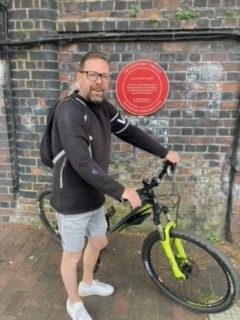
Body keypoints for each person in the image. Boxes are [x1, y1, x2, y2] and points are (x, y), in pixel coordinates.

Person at [50, 51, 180, 320]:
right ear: (79, 76)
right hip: (71, 199)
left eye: (105, 76)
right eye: (93, 75)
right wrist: (122, 191)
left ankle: (87, 284)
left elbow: (129, 131)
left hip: (94, 194)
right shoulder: (69, 111)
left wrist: (163, 151)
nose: (99, 81)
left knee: (98, 240)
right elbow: (82, 163)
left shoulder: (104, 108)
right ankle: (73, 302)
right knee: (71, 255)